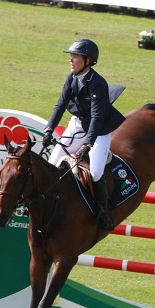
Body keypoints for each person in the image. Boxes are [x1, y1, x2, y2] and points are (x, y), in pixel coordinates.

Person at [42, 38, 125, 231]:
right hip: (76, 125)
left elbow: (97, 117)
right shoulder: (71, 78)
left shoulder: (97, 83)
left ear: (88, 60)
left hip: (99, 131)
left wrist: (88, 144)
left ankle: (103, 213)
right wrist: (49, 128)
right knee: (53, 164)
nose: (71, 60)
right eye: (71, 57)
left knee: (95, 172)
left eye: (75, 57)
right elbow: (60, 105)